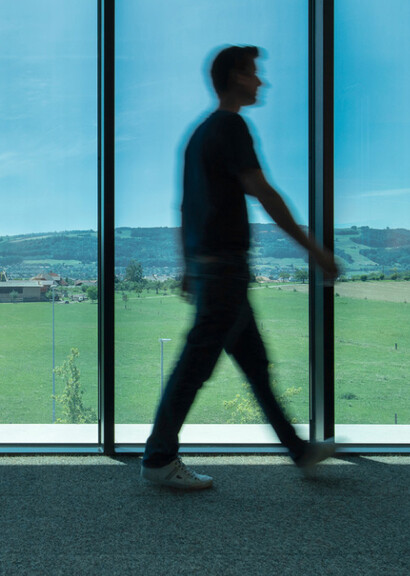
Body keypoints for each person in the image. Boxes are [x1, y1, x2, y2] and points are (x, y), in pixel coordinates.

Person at [141, 45, 338, 490]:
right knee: (194, 367)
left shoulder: (200, 135)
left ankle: (300, 451)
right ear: (235, 78)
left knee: (254, 365)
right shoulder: (231, 126)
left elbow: (187, 207)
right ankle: (157, 459)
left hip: (216, 269)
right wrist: (314, 249)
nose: (260, 82)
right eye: (253, 74)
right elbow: (263, 192)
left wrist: (189, 266)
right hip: (225, 270)